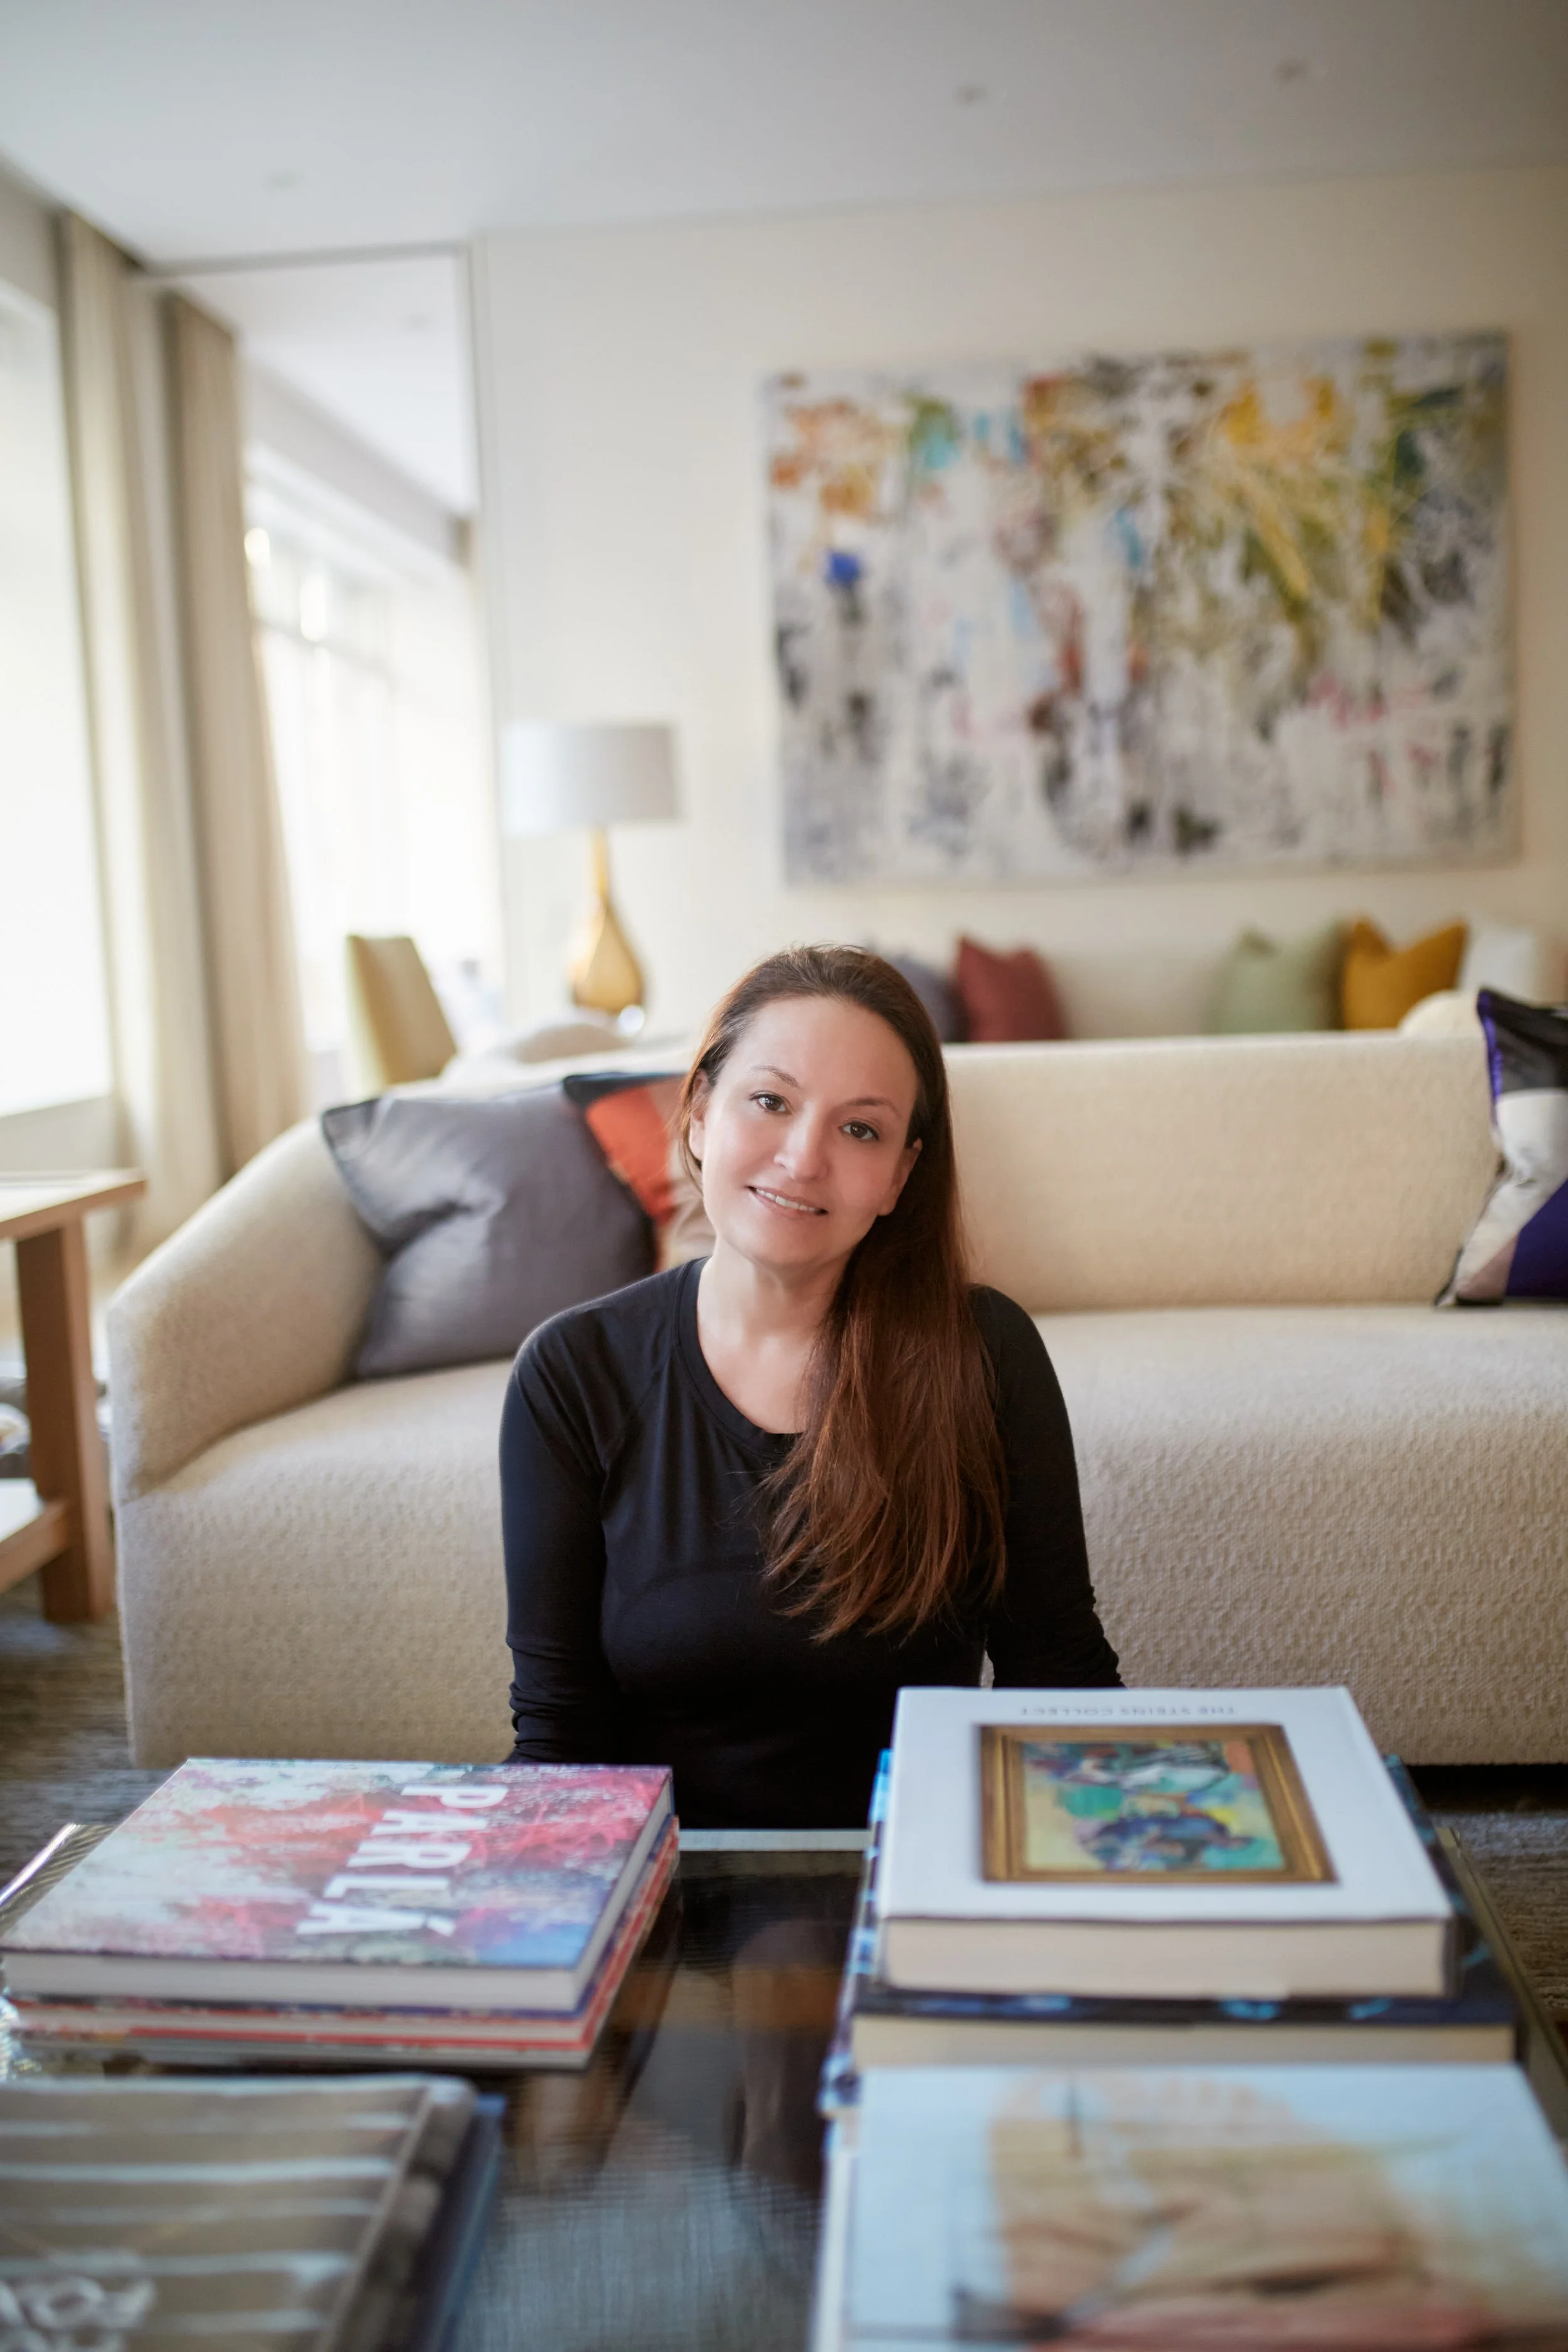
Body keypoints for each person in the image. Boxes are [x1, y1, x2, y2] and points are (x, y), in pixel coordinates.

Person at [500, 944, 1119, 1828]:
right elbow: (560, 1746)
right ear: (702, 1113)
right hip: (669, 1904)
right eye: (771, 1101)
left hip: (914, 1883)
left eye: (859, 1128)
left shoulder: (986, 1353)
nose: (802, 1157)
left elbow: (1059, 1684)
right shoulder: (571, 1373)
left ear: (902, 1174)